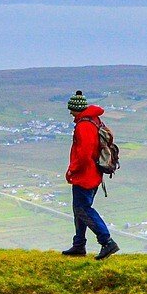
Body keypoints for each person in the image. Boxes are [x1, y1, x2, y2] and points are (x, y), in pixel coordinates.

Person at [62, 90, 118, 259]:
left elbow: (84, 153)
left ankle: (107, 242)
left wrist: (73, 169)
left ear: (77, 109)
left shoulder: (84, 125)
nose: (71, 114)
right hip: (93, 173)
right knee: (79, 209)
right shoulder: (93, 120)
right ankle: (79, 245)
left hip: (85, 175)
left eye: (72, 110)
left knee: (83, 209)